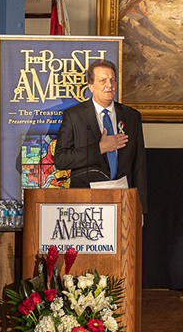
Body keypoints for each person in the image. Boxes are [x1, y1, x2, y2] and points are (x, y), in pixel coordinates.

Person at [53, 59, 148, 216]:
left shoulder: (132, 116)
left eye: (112, 80)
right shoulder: (74, 116)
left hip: (123, 201)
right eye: (103, 80)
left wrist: (140, 208)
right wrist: (99, 148)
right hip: (84, 203)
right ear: (91, 86)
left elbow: (139, 166)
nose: (109, 85)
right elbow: (61, 160)